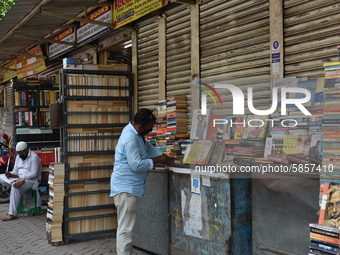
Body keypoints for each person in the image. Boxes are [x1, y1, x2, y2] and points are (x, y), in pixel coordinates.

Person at [110, 109, 171, 255]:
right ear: (140, 126)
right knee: (125, 229)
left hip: (127, 187)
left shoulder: (134, 132)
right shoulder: (130, 138)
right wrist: (157, 160)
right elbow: (136, 164)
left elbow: (147, 148)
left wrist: (163, 156)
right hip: (126, 188)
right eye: (149, 128)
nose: (150, 131)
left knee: (126, 227)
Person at [0, 141, 41, 221]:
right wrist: (10, 174)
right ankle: (14, 181)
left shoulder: (34, 157)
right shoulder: (19, 157)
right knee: (1, 177)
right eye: (18, 153)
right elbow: (15, 170)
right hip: (18, 178)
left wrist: (21, 177)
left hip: (30, 181)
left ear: (26, 150)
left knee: (15, 187)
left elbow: (34, 174)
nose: (20, 155)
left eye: (21, 153)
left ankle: (12, 214)